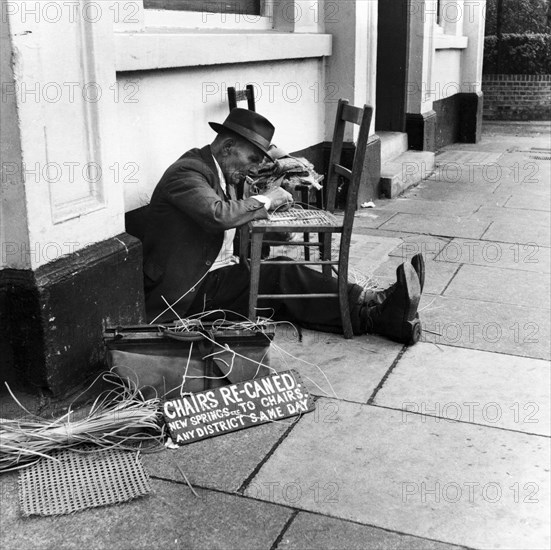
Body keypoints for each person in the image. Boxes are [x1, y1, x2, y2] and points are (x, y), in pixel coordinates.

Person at [142, 108, 424, 344]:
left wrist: (276, 208)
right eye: (252, 159)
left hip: (216, 275)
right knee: (280, 276)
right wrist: (267, 198)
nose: (254, 168)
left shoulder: (223, 170)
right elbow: (218, 215)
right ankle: (375, 313)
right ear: (228, 147)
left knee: (282, 275)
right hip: (187, 292)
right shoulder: (188, 172)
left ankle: (372, 305)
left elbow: (240, 220)